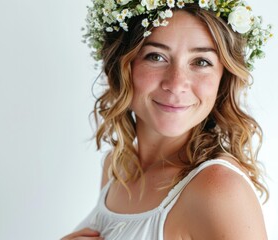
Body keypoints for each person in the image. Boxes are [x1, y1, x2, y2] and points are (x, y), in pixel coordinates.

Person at [62, 0, 272, 239]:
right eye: (156, 56)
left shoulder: (219, 188)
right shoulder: (118, 166)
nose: (176, 84)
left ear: (223, 79)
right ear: (122, 68)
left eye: (201, 62)